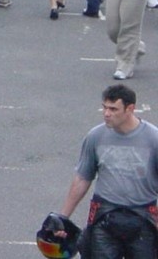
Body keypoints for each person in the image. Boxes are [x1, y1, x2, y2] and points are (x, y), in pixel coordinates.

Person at [54, 85, 158, 257]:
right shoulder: (96, 136)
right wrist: (62, 218)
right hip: (105, 215)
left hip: (143, 217)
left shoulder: (153, 139)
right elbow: (82, 178)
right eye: (105, 107)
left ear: (130, 108)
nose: (106, 114)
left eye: (113, 109)